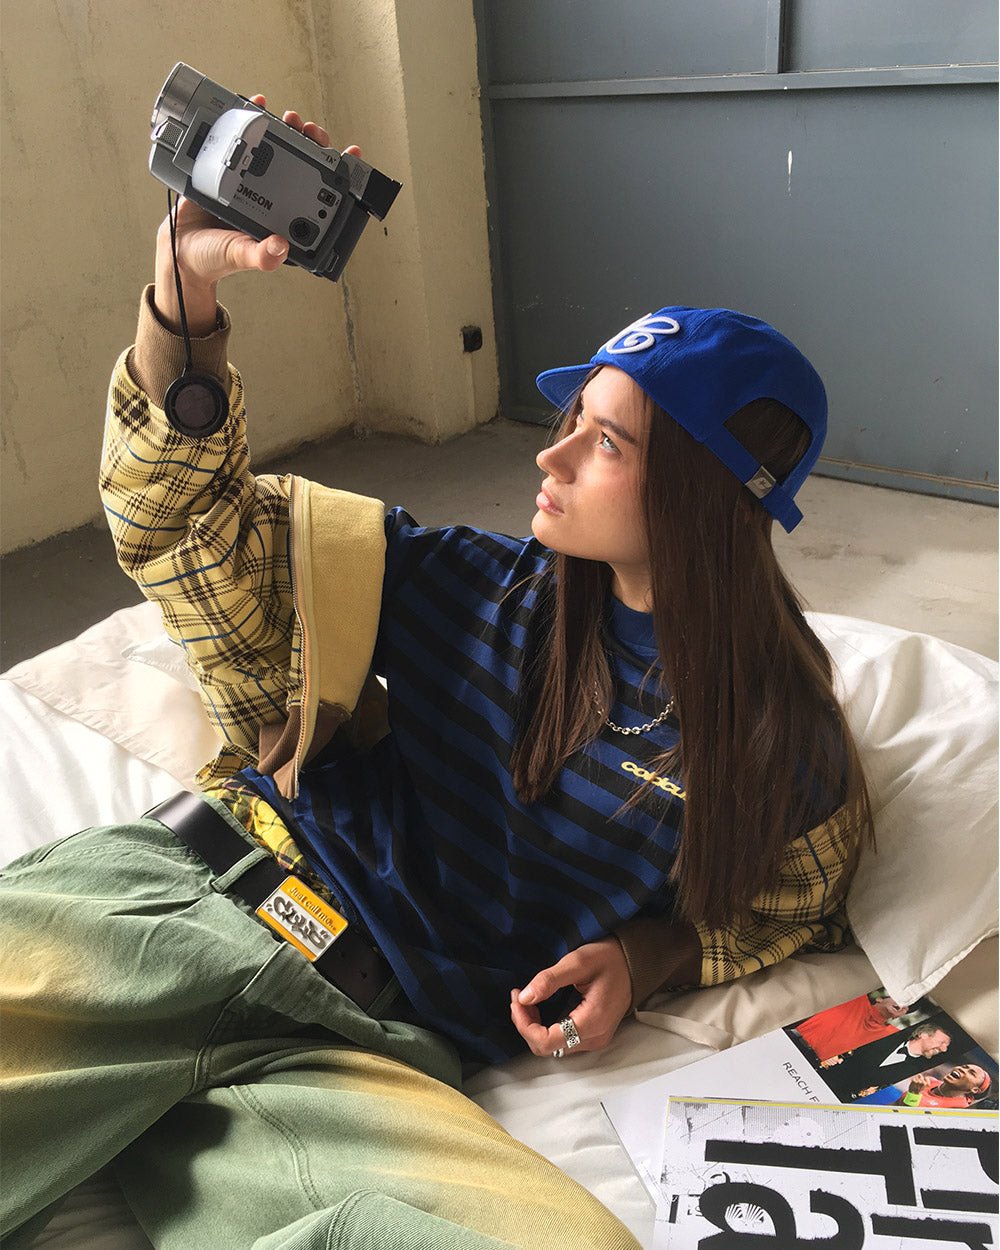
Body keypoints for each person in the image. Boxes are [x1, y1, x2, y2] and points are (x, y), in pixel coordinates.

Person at [0, 101, 873, 1250]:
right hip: (194, 907)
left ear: (708, 498)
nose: (549, 452)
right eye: (571, 417)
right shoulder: (460, 583)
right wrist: (185, 295)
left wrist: (647, 953)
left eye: (605, 441)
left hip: (360, 1052)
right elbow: (181, 525)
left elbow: (788, 907)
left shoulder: (782, 746)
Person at [819, 1019, 955, 1100]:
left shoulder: (916, 1072)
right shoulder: (886, 1035)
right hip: (822, 1072)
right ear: (923, 1035)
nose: (944, 1049)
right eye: (942, 1043)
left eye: (946, 1047)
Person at [793, 991, 912, 1064]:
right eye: (901, 1000)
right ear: (880, 999)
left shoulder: (889, 1033)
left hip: (811, 1061)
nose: (902, 1005)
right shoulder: (856, 998)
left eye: (906, 1007)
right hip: (792, 1037)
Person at [898, 1064, 992, 1109]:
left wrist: (913, 1094)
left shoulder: (959, 1109)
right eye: (964, 1067)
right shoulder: (930, 1081)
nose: (962, 1070)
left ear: (975, 1089)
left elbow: (909, 1122)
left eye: (971, 1073)